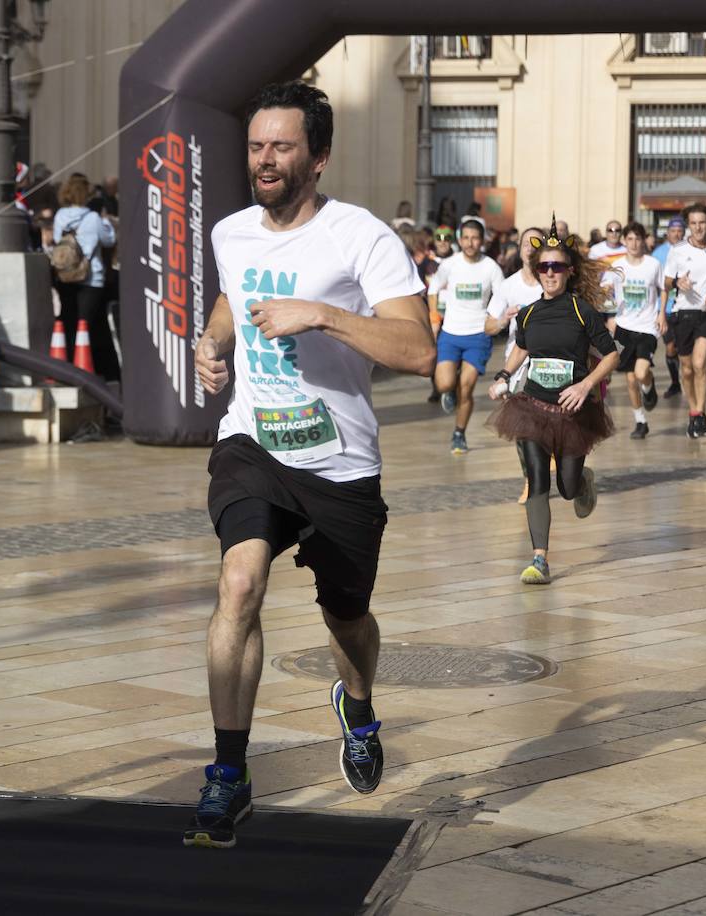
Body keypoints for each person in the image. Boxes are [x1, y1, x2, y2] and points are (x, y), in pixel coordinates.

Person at [187, 80, 434, 848]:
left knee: (346, 617)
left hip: (341, 460)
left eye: (281, 146)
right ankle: (229, 772)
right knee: (239, 582)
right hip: (253, 440)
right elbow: (233, 298)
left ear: (317, 157)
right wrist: (212, 342)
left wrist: (323, 312)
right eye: (257, 145)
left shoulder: (362, 239)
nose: (264, 159)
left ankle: (357, 705)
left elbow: (419, 352)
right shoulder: (231, 231)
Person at [487, 221, 618, 585]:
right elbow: (522, 348)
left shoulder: (581, 311)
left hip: (573, 410)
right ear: (536, 271)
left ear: (569, 271)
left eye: (556, 267)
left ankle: (583, 482)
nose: (549, 274)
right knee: (537, 480)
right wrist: (502, 375)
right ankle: (539, 559)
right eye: (543, 267)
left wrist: (586, 385)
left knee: (567, 487)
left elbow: (610, 356)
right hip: (533, 406)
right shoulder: (529, 313)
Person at [428, 217, 505, 454]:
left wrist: (495, 318)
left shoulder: (490, 267)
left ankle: (459, 433)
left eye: (475, 238)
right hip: (451, 333)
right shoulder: (450, 264)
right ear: (460, 239)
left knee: (467, 386)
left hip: (477, 335)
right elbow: (433, 289)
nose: (470, 243)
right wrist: (434, 318)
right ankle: (449, 390)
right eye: (466, 238)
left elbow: (502, 295)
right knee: (444, 383)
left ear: (482, 241)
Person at [485, 226, 545, 502]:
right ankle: (531, 478)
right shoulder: (509, 286)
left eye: (537, 243)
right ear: (519, 249)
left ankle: (568, 472)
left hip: (552, 364)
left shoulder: (554, 281)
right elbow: (488, 326)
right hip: (517, 362)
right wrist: (503, 320)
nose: (531, 248)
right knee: (523, 426)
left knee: (550, 424)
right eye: (526, 244)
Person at [662, 203, 706, 438]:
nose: (698, 227)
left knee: (700, 363)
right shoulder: (677, 250)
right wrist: (678, 282)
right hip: (682, 313)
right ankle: (694, 411)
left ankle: (700, 411)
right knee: (687, 369)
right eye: (693, 223)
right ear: (688, 225)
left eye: (702, 222)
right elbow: (666, 282)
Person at [53, 174, 119, 380]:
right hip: (91, 278)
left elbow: (57, 241)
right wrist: (106, 222)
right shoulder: (92, 217)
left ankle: (68, 367)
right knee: (88, 324)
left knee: (69, 320)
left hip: (64, 277)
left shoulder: (60, 215)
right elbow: (109, 240)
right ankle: (88, 369)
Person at [609, 223, 665, 438]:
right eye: (629, 239)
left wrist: (661, 314)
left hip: (647, 327)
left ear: (644, 241)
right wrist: (609, 316)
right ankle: (640, 421)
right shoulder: (617, 266)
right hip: (624, 327)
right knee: (630, 380)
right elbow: (606, 292)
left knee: (641, 373)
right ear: (624, 240)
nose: (633, 243)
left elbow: (663, 289)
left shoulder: (653, 265)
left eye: (637, 239)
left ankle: (649, 388)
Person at [651, 217, 686, 399]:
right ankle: (675, 383)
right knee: (671, 347)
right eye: (673, 231)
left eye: (680, 231)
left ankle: (688, 378)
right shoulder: (658, 253)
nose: (677, 234)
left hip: (686, 306)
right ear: (668, 233)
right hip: (665, 308)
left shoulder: (689, 250)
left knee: (686, 349)